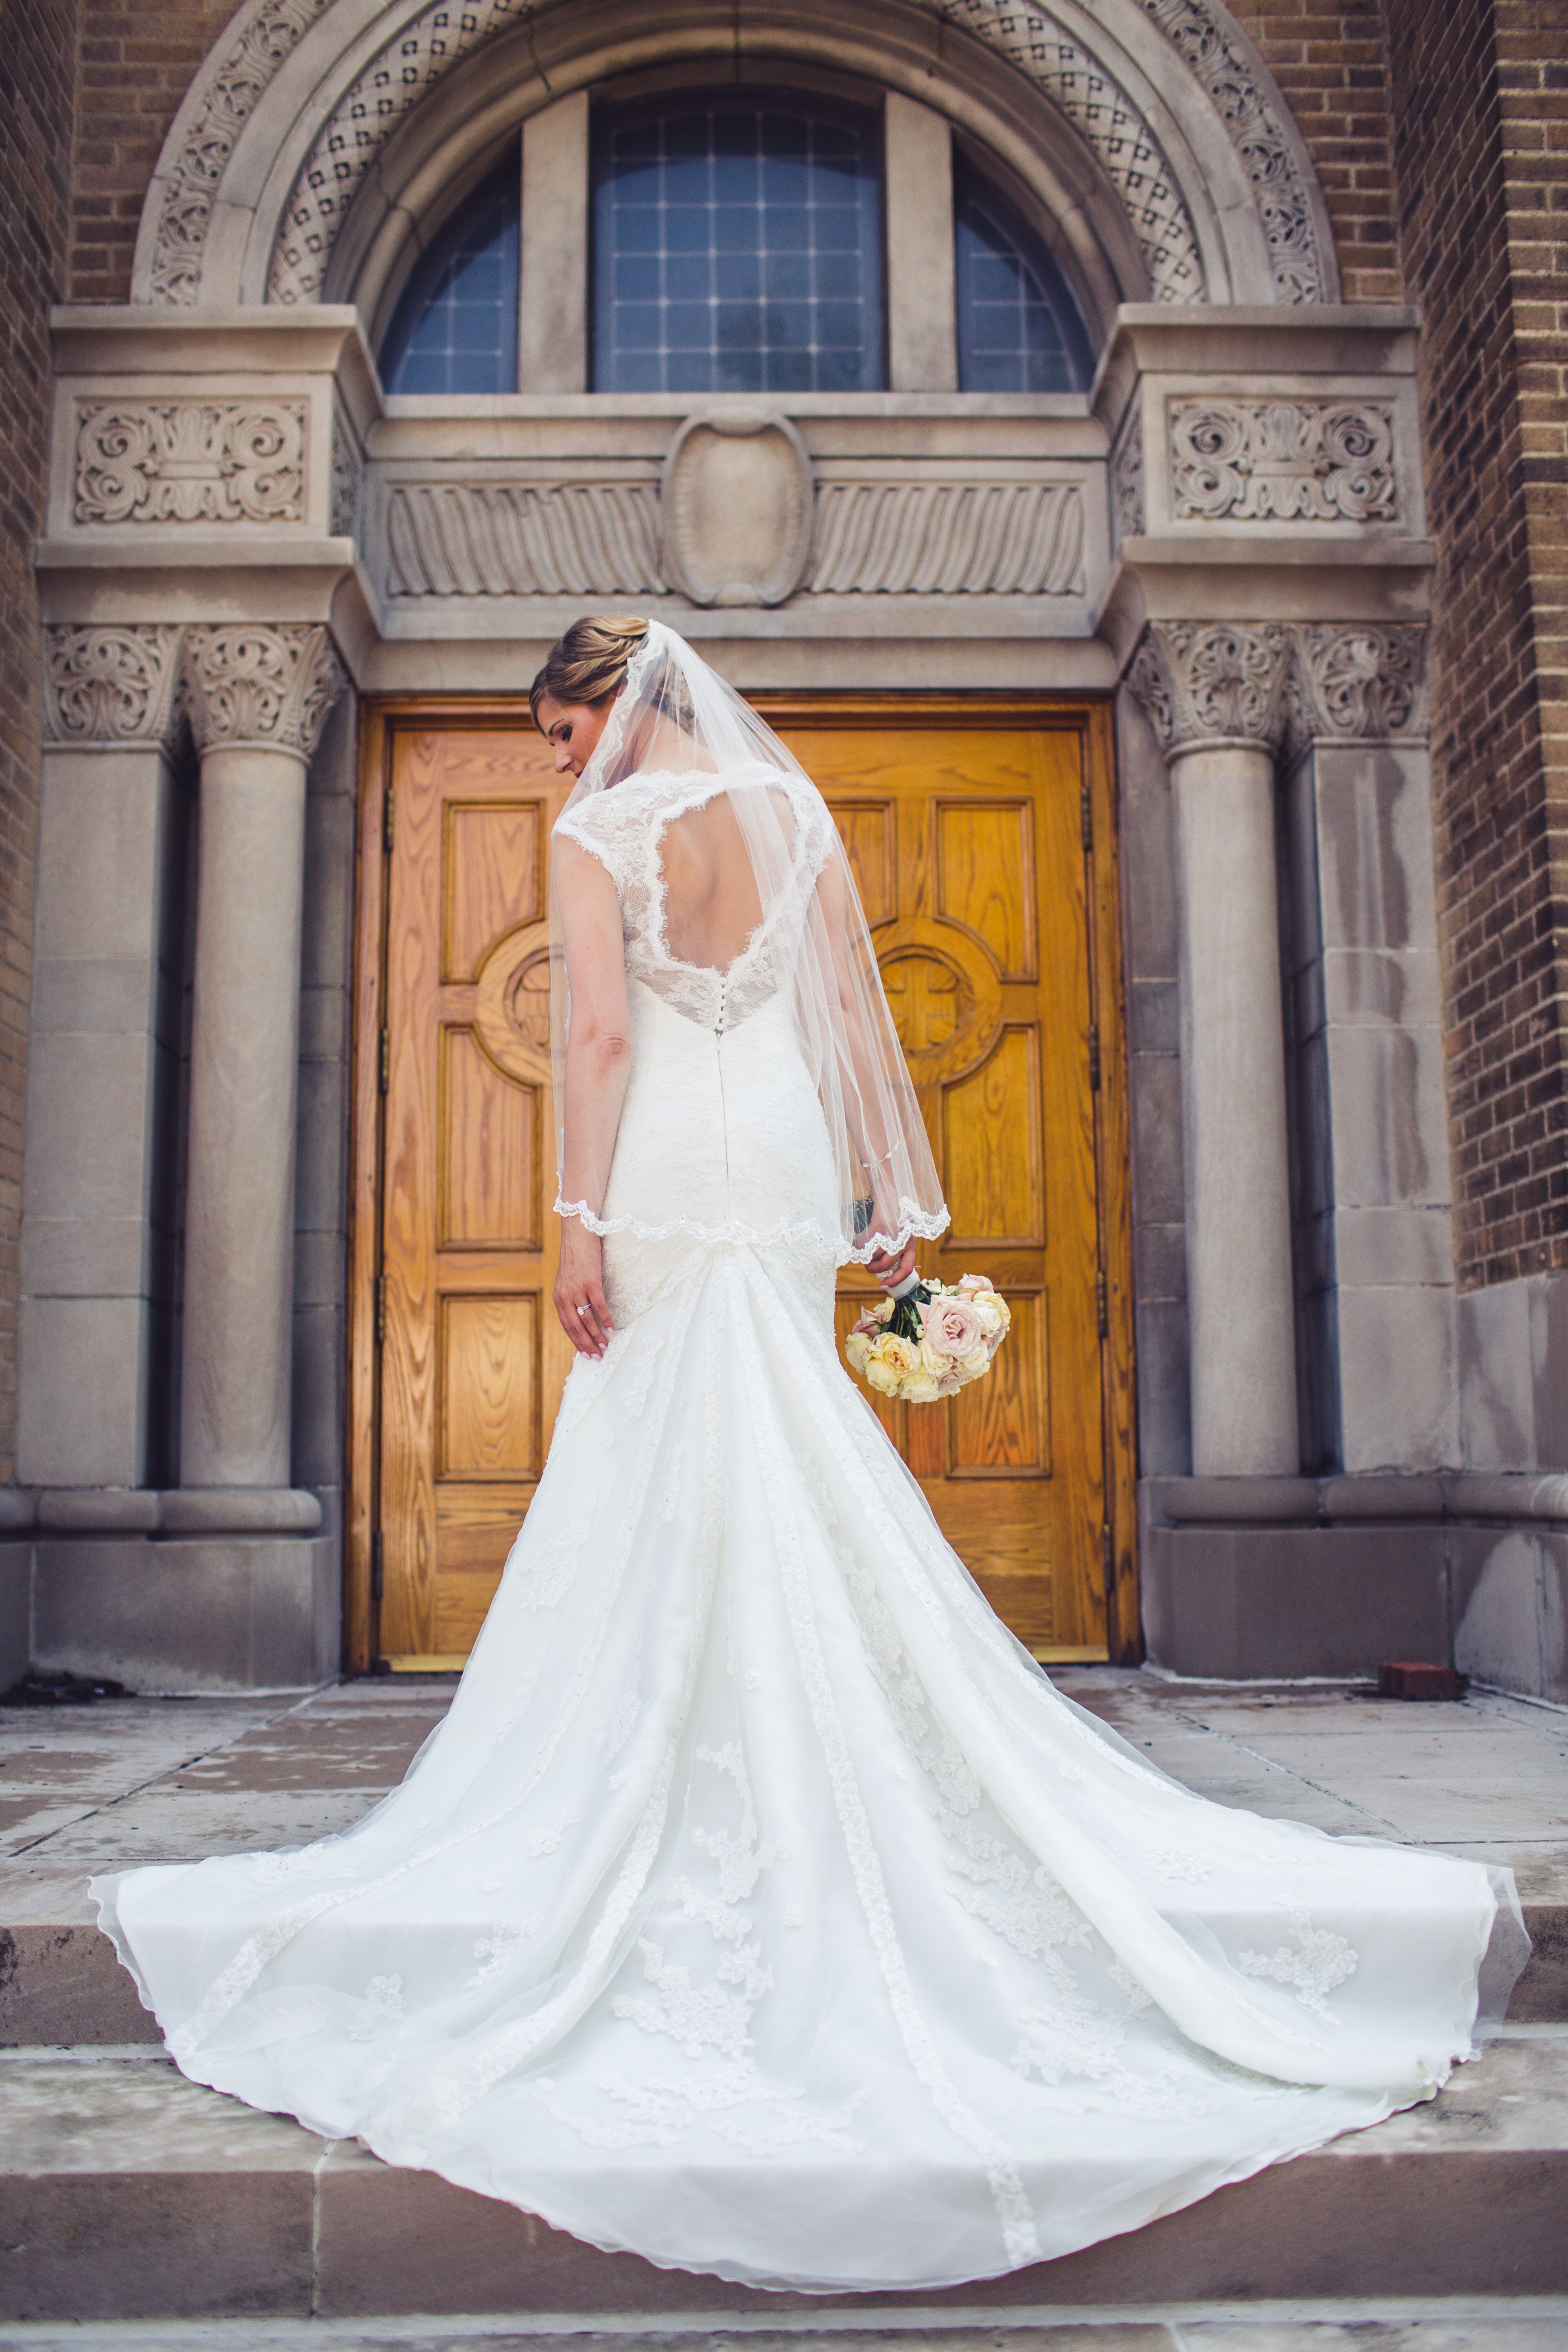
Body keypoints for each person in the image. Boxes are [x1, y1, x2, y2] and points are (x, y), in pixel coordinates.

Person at [93, 618, 1527, 2295]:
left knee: (680, 1438)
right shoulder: (789, 811)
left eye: (560, 732)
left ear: (608, 706)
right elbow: (849, 1019)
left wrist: (572, 1221)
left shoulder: (599, 834)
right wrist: (891, 1224)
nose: (557, 764)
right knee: (773, 1429)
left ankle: (685, 1741)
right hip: (773, 1154)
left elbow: (604, 1043)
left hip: (672, 1162)